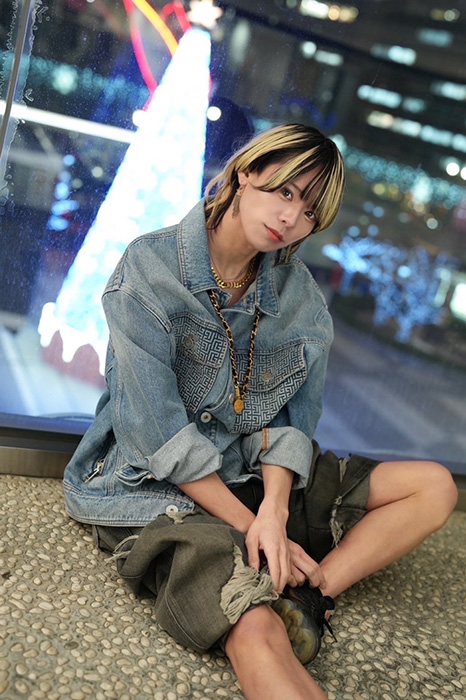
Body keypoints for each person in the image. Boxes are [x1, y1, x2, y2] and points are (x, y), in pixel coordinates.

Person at [64, 123, 458, 700]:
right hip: (156, 487)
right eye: (286, 191)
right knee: (256, 630)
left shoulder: (299, 298)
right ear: (247, 172)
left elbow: (292, 422)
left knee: (433, 486)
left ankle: (311, 591)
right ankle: (275, 587)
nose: (290, 218)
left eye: (309, 210)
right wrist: (254, 525)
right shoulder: (149, 269)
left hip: (251, 473)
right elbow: (158, 436)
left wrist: (273, 510)